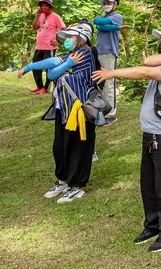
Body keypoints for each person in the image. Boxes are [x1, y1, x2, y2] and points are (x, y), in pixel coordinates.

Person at [92, 24, 161, 253]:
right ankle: (153, 226)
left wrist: (112, 73)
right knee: (149, 185)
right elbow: (148, 61)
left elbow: (145, 71)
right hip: (151, 134)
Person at [18, 22, 100, 203]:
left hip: (79, 110)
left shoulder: (85, 53)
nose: (67, 40)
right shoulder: (71, 56)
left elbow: (54, 68)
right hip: (63, 108)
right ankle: (63, 180)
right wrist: (68, 64)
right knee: (60, 146)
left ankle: (76, 186)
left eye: (71, 37)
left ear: (81, 38)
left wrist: (30, 67)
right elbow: (53, 73)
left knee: (77, 147)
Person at [93, 0, 123, 124]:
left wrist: (104, 25)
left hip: (109, 52)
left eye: (108, 3)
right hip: (99, 51)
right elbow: (98, 23)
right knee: (100, 82)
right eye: (104, 3)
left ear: (115, 5)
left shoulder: (117, 16)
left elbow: (102, 24)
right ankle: (102, 109)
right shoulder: (103, 17)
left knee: (109, 83)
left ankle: (111, 114)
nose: (106, 5)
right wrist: (117, 28)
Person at [30, 0, 66, 95]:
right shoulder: (40, 16)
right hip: (39, 47)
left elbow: (64, 30)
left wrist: (59, 41)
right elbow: (34, 27)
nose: (43, 7)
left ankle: (46, 88)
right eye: (42, 5)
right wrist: (37, 16)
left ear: (50, 7)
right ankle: (39, 87)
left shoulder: (56, 17)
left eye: (45, 5)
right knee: (35, 67)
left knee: (49, 68)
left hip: (49, 48)